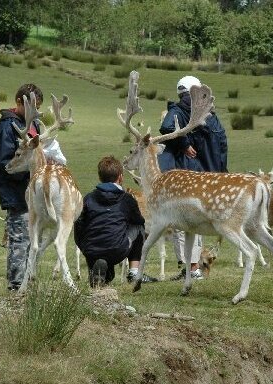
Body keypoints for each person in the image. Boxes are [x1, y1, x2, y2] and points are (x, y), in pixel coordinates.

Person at [158, 75, 228, 280]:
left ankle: (192, 268)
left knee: (185, 223)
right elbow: (222, 147)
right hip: (202, 177)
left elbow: (167, 127)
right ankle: (192, 267)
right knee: (190, 223)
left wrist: (184, 144)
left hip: (192, 177)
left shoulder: (189, 112)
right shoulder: (203, 114)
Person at [73, 156, 158, 286]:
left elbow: (79, 224)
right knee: (139, 226)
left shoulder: (89, 198)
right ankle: (134, 272)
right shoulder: (127, 199)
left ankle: (99, 271)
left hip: (91, 250)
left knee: (80, 225)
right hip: (116, 249)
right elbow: (139, 220)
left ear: (100, 177)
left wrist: (84, 247)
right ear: (120, 177)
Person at [0, 83, 43, 291]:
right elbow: (6, 162)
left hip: (35, 193)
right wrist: (30, 172)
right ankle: (16, 286)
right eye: (31, 105)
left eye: (37, 106)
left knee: (33, 239)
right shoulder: (8, 126)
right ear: (19, 102)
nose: (35, 110)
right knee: (19, 239)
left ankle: (27, 282)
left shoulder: (34, 125)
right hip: (17, 193)